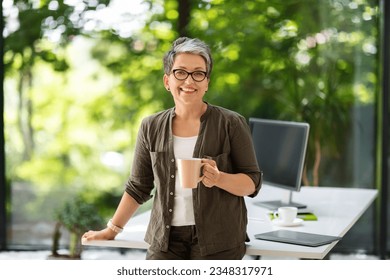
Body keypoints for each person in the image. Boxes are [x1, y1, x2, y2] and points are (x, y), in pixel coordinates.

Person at [82, 37, 262, 260]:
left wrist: (218, 178)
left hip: (219, 239)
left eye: (198, 73)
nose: (189, 81)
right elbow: (139, 186)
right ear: (167, 81)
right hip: (166, 240)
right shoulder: (151, 126)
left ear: (207, 82)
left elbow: (252, 183)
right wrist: (111, 230)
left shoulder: (231, 123)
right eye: (180, 72)